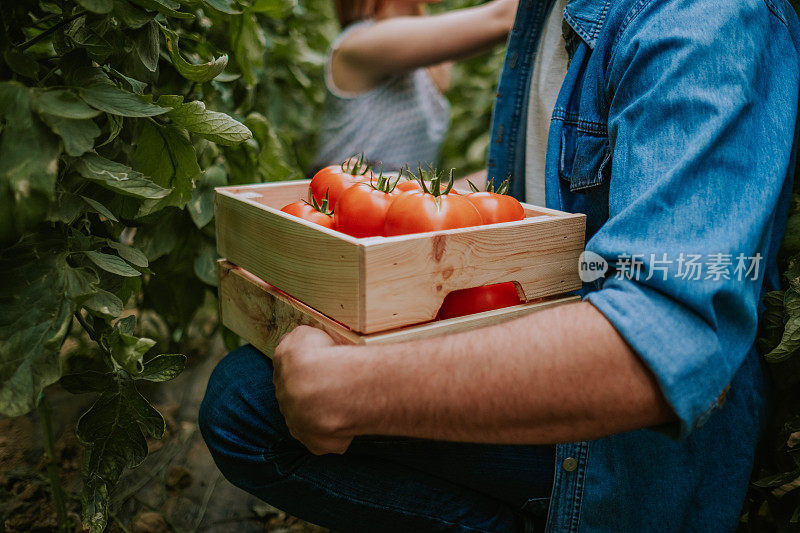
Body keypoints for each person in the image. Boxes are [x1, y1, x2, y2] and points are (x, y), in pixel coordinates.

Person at [200, 0, 800, 531]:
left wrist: (355, 389)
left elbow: (668, 335)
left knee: (246, 405)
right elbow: (545, 193)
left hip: (619, 454)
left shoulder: (704, 20)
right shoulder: (545, 11)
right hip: (543, 330)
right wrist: (426, 209)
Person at [310, 0, 518, 174]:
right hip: (338, 210)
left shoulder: (428, 68)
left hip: (391, 208)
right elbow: (505, 17)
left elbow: (409, 187)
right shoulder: (361, 43)